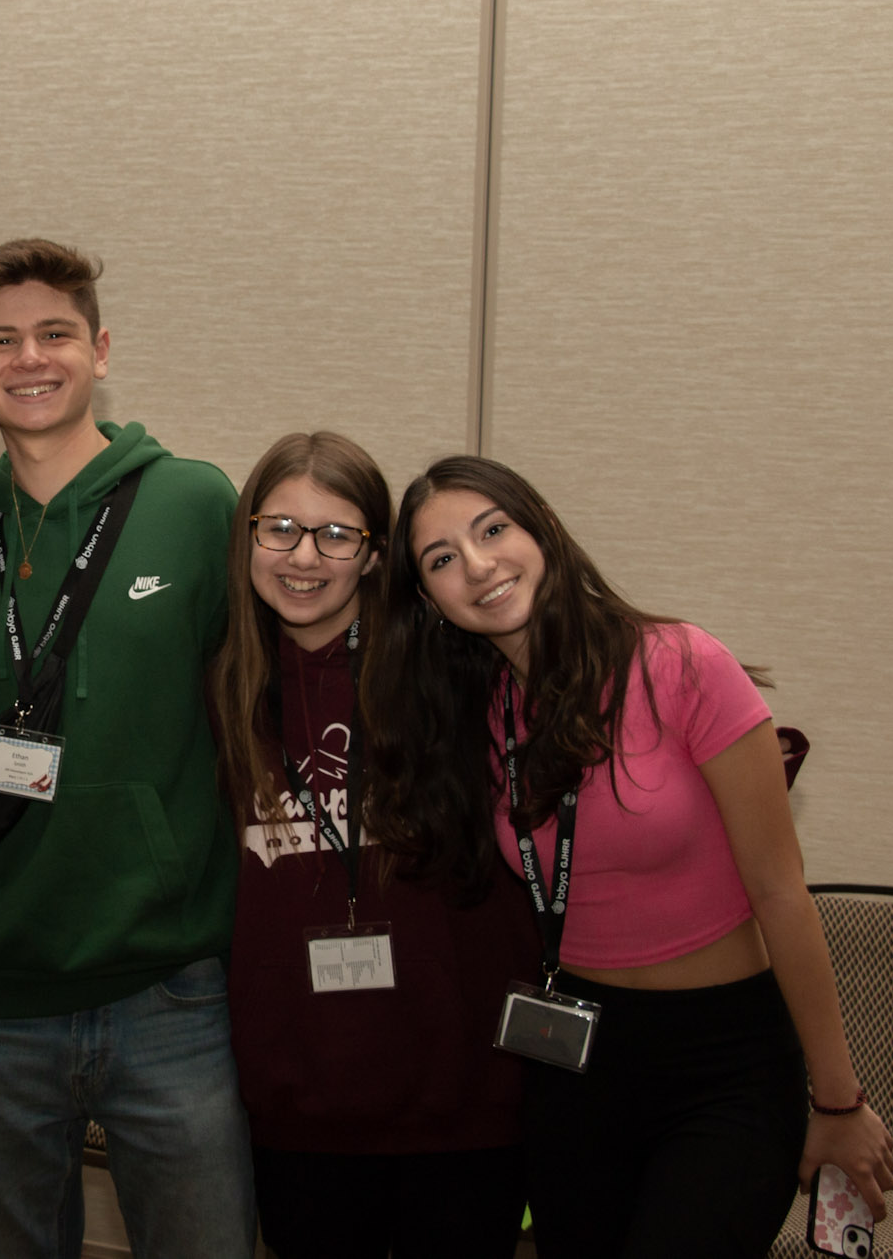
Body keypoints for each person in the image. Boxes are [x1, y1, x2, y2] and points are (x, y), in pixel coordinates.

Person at [363, 455, 893, 1259]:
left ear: (540, 528)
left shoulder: (683, 664)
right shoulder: (485, 715)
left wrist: (838, 1098)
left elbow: (783, 894)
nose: (477, 566)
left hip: (726, 1061)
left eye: (492, 529)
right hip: (577, 1062)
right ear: (429, 598)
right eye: (441, 559)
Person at [0, 238, 253, 1258]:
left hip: (166, 986)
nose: (30, 359)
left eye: (55, 333)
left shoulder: (196, 505)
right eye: (1, 340)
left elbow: (267, 698)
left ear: (99, 347)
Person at [208, 432, 538, 1259]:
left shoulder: (455, 668)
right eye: (279, 527)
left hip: (461, 1102)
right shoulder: (220, 687)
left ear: (375, 554)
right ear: (245, 535)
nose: (304, 556)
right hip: (300, 1104)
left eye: (336, 534)